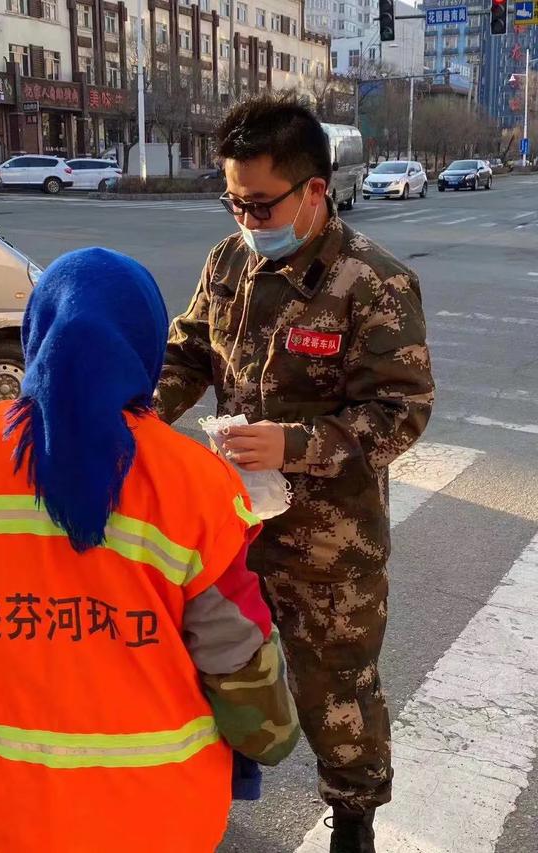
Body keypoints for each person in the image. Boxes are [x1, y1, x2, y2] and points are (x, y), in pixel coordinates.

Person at [0, 247, 300, 853]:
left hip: (16, 805)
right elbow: (236, 653)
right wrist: (272, 738)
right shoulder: (192, 481)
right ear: (143, 345)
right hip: (163, 811)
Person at [154, 93, 435, 853]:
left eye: (259, 203)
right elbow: (185, 352)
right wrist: (139, 415)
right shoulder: (227, 265)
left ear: (314, 190)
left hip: (328, 548)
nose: (246, 220)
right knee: (218, 671)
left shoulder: (373, 283)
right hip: (230, 528)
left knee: (335, 691)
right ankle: (214, 793)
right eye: (234, 202)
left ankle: (353, 817)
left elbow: (401, 412)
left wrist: (296, 445)